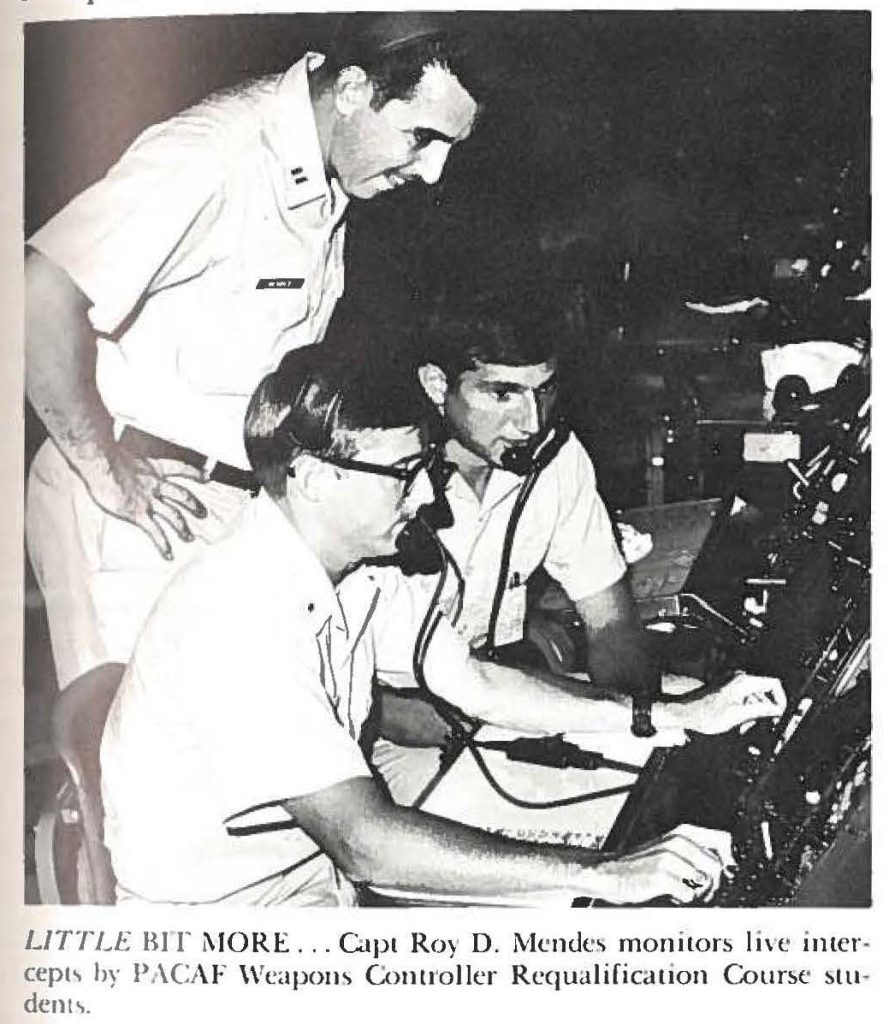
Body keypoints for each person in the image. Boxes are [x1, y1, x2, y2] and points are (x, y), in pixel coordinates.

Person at [101, 343, 747, 907]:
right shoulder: (235, 621)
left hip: (318, 892)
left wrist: (668, 714)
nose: (427, 498)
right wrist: (606, 874)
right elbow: (365, 844)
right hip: (222, 930)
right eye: (404, 476)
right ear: (315, 479)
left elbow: (477, 683)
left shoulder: (355, 570)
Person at [25, 12, 480, 693]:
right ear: (352, 88)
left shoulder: (325, 174)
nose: (434, 171)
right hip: (142, 504)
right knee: (136, 769)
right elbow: (35, 293)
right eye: (421, 137)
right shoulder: (217, 153)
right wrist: (106, 470)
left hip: (228, 498)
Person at [370, 303, 782, 801]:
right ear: (437, 385)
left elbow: (610, 622)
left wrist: (640, 719)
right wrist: (483, 723)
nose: (531, 422)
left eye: (543, 391)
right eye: (502, 393)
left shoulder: (557, 460)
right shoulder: (382, 485)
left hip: (513, 696)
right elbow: (351, 692)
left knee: (721, 733)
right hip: (405, 736)